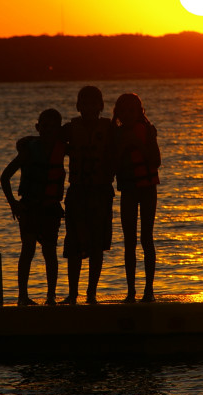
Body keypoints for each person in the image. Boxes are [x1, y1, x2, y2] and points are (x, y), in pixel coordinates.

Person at [0, 108, 66, 306]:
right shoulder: (28, 151)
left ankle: (51, 296)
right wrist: (13, 203)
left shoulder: (62, 148)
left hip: (51, 208)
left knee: (50, 251)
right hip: (29, 208)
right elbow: (5, 177)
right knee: (27, 249)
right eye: (44, 126)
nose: (48, 130)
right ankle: (22, 297)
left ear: (59, 129)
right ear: (38, 127)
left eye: (53, 127)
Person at [61, 86, 115, 304]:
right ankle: (72, 293)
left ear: (101, 106)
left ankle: (91, 292)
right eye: (85, 103)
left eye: (94, 103)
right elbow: (49, 140)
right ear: (78, 106)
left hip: (101, 192)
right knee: (74, 244)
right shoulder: (70, 129)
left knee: (96, 244)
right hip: (77, 192)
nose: (90, 108)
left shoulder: (110, 128)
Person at [112, 93, 161, 303]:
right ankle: (131, 292)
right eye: (125, 111)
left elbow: (156, 162)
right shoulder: (116, 135)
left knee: (146, 239)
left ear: (140, 112)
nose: (129, 114)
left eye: (133, 110)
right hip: (129, 191)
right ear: (119, 114)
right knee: (129, 241)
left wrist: (139, 145)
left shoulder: (148, 132)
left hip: (148, 189)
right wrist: (123, 146)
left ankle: (148, 290)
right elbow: (112, 166)